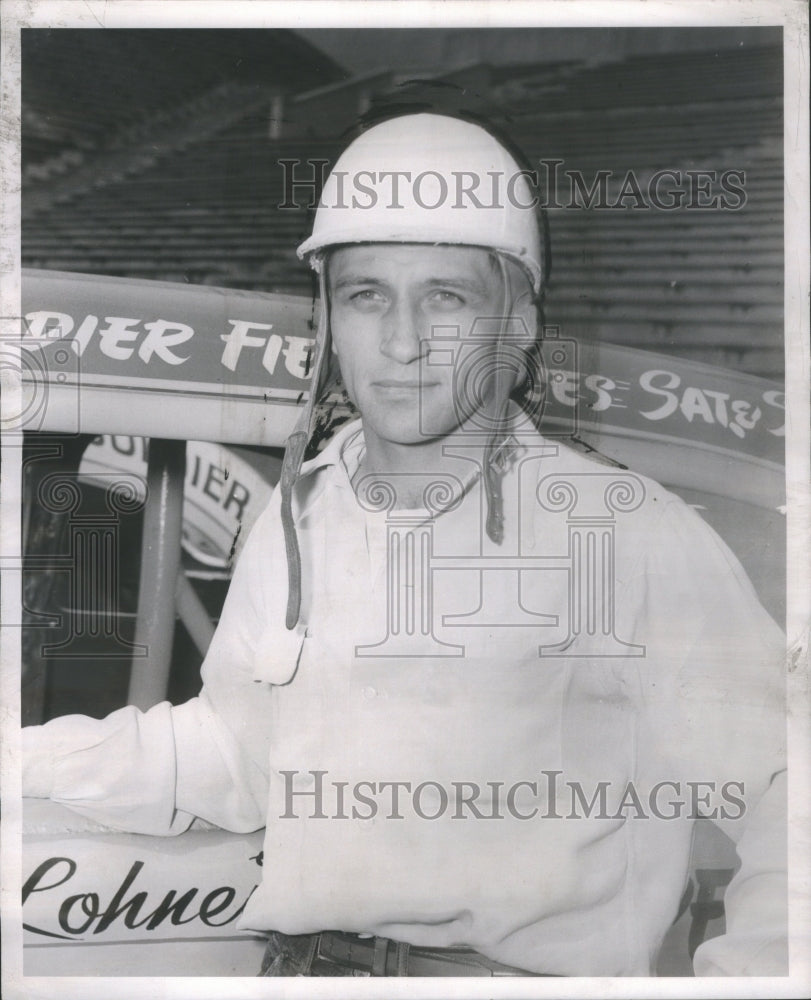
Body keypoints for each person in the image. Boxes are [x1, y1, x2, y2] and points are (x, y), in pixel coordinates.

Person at [22, 112, 786, 977]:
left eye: (446, 297)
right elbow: (233, 756)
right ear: (329, 318)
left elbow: (780, 783)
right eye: (366, 294)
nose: (402, 342)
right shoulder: (300, 513)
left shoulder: (621, 530)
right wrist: (22, 758)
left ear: (522, 321)